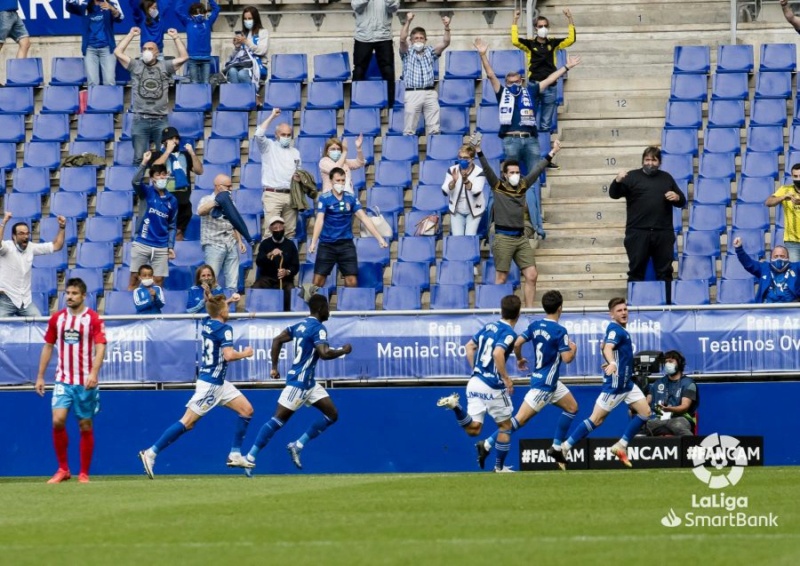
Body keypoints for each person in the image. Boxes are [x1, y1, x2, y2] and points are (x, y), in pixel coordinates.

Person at [138, 295, 256, 479]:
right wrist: (246, 353)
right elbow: (228, 356)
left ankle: (235, 454)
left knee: (247, 410)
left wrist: (228, 301)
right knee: (187, 422)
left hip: (219, 383)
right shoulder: (225, 329)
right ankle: (151, 453)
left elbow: (215, 309)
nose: (229, 310)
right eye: (227, 307)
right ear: (223, 311)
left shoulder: (207, 323)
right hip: (211, 385)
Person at [475, 37, 580, 237]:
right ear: (506, 83)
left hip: (530, 140)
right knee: (507, 183)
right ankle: (502, 220)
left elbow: (549, 79)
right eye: (510, 82)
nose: (513, 84)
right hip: (511, 140)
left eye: (516, 81)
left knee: (532, 183)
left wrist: (566, 66)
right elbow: (490, 75)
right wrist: (483, 55)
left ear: (522, 81)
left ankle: (537, 225)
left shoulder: (530, 90)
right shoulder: (502, 92)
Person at [243, 294, 351, 473]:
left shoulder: (299, 325)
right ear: (319, 309)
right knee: (278, 420)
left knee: (332, 414)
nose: (329, 311)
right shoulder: (319, 328)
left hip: (309, 384)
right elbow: (324, 354)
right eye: (327, 307)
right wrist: (343, 350)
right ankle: (250, 457)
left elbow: (277, 340)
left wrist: (274, 367)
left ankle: (298, 445)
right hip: (300, 382)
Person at [477, 290, 578, 471]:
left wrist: (519, 358)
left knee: (572, 408)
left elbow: (516, 343)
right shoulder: (560, 331)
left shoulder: (535, 325)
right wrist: (573, 349)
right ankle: (486, 444)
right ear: (560, 308)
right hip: (544, 386)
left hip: (551, 382)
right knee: (518, 421)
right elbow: (567, 358)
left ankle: (556, 448)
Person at [560, 298, 652, 468]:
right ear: (611, 315)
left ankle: (621, 445)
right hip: (616, 385)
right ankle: (565, 447)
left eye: (625, 309)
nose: (624, 312)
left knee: (645, 411)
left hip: (627, 384)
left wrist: (611, 360)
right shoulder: (615, 330)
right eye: (619, 310)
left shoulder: (620, 331)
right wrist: (613, 363)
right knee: (596, 420)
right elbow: (608, 347)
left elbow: (606, 348)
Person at [436, 294, 522, 473]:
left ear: (501, 310)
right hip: (492, 384)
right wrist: (506, 378)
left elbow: (469, 346)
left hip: (475, 381)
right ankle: (499, 468)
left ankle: (456, 407)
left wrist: (476, 368)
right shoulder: (509, 334)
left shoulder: (489, 326)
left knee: (474, 430)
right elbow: (498, 354)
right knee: (505, 426)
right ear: (518, 314)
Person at [475, 137, 562, 308]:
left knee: (532, 275)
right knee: (501, 277)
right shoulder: (497, 185)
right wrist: (479, 150)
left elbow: (538, 168)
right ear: (505, 174)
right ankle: (498, 313)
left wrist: (553, 152)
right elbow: (486, 168)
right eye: (511, 173)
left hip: (521, 238)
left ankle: (529, 311)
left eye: (517, 172)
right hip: (503, 238)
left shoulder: (523, 185)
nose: (515, 175)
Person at [35, 278, 107, 483]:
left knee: (85, 425)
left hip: (85, 381)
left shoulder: (93, 319)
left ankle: (83, 473)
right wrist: (40, 376)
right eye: (67, 293)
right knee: (57, 420)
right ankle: (63, 469)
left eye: (74, 293)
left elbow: (101, 346)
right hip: (62, 380)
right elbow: (48, 346)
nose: (69, 296)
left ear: (84, 296)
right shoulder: (57, 319)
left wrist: (94, 372)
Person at [609, 146, 686, 304]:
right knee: (636, 272)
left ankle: (668, 307)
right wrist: (617, 181)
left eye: (654, 160)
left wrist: (677, 197)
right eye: (647, 160)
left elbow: (682, 201)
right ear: (642, 161)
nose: (650, 163)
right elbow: (613, 194)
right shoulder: (632, 177)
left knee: (665, 273)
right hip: (637, 233)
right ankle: (633, 304)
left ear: (659, 162)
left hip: (662, 233)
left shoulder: (666, 178)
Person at [114, 26, 189, 166]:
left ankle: (161, 185)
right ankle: (138, 186)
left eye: (150, 49)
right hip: (140, 119)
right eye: (144, 49)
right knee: (138, 158)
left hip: (160, 120)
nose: (147, 51)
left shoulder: (165, 66)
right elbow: (118, 52)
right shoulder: (135, 65)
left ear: (157, 52)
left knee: (165, 156)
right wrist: (131, 34)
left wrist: (176, 37)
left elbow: (184, 57)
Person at [511, 8, 575, 168]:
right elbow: (514, 40)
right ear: (535, 28)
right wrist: (515, 20)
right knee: (528, 121)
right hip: (533, 86)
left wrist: (570, 19)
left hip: (551, 87)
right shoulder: (529, 44)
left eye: (545, 25)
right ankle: (530, 157)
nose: (543, 28)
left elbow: (571, 39)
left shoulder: (553, 43)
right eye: (540, 26)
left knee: (546, 125)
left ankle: (546, 159)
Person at [309, 167, 389, 290]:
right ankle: (308, 307)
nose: (340, 183)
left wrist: (379, 238)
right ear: (331, 181)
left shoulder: (351, 198)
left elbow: (364, 218)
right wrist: (313, 242)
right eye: (337, 180)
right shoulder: (324, 198)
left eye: (342, 180)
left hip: (346, 245)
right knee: (317, 282)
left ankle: (349, 307)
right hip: (326, 245)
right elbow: (319, 220)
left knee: (352, 281)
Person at [0, 212, 66, 317]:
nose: (25, 236)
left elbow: (56, 245)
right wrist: (4, 223)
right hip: (6, 300)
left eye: (27, 233)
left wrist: (62, 227)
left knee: (38, 324)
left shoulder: (31, 247)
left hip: (25, 301)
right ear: (14, 236)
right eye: (21, 234)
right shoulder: (7, 247)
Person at [128, 150, 178, 290]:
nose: (161, 177)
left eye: (163, 174)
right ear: (152, 178)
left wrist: (170, 246)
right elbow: (135, 181)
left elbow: (172, 225)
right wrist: (144, 163)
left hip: (161, 246)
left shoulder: (172, 200)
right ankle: (130, 308)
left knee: (158, 281)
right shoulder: (146, 192)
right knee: (134, 279)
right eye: (157, 175)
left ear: (167, 176)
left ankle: (155, 310)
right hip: (142, 242)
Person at [399, 12, 451, 136]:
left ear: (425, 40)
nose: (419, 40)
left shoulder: (430, 51)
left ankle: (436, 153)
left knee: (435, 130)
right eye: (416, 38)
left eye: (421, 38)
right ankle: (408, 152)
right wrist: (408, 21)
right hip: (412, 93)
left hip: (430, 93)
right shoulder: (406, 53)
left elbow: (446, 43)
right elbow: (402, 39)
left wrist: (447, 27)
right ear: (411, 40)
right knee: (409, 130)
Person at [254, 108, 301, 239]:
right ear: (276, 135)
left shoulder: (295, 152)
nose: (286, 137)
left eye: (288, 135)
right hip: (272, 194)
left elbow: (299, 171)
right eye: (283, 134)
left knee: (290, 233)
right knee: (270, 232)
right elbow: (258, 134)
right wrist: (272, 116)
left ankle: (286, 260)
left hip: (291, 195)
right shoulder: (268, 147)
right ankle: (267, 260)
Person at [196, 174, 247, 297]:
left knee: (233, 280)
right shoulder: (206, 199)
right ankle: (211, 307)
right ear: (219, 187)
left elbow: (234, 222)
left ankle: (231, 307)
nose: (231, 189)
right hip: (213, 244)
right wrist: (216, 201)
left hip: (230, 243)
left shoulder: (231, 202)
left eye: (231, 186)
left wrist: (239, 241)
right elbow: (200, 211)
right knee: (210, 279)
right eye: (228, 186)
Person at [150, 126, 203, 241]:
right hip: (164, 201)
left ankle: (176, 257)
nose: (175, 141)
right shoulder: (158, 155)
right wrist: (168, 151)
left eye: (176, 138)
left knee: (178, 232)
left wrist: (192, 154)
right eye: (171, 139)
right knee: (163, 233)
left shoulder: (185, 155)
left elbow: (199, 171)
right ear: (164, 141)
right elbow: (155, 167)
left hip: (183, 202)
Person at [66, 0, 125, 87]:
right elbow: (70, 8)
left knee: (109, 81)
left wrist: (112, 9)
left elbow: (120, 18)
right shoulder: (84, 5)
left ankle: (109, 101)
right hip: (90, 49)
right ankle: (95, 101)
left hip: (107, 48)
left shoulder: (110, 3)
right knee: (93, 83)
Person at [352, 0, 399, 107]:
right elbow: (356, 6)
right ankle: (355, 102)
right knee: (358, 70)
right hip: (363, 36)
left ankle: (391, 104)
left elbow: (394, 8)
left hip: (384, 36)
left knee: (388, 69)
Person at [645, 350, 698, 437]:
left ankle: (691, 447)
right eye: (666, 362)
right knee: (643, 427)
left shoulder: (689, 383)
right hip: (659, 419)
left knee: (677, 425)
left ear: (679, 364)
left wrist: (670, 409)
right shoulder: (657, 383)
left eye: (671, 361)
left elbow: (685, 406)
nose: (667, 364)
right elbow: (647, 402)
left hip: (681, 418)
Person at [252, 217, 300, 312]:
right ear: (270, 230)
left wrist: (287, 272)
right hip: (267, 278)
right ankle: (255, 314)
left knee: (290, 289)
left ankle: (287, 315)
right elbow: (259, 262)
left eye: (280, 227)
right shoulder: (265, 244)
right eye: (275, 228)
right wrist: (270, 254)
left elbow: (295, 266)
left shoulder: (290, 245)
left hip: (285, 280)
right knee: (256, 287)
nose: (278, 230)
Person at [734, 238, 800, 303]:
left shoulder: (796, 267)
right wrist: (739, 249)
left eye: (782, 256)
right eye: (776, 256)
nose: (779, 258)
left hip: (792, 308)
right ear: (771, 258)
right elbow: (749, 264)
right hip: (767, 308)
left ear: (788, 258)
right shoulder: (764, 268)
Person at [441, 144, 486, 236]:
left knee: (470, 236)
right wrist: (453, 181)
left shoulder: (479, 172)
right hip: (457, 210)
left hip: (474, 210)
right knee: (458, 238)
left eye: (466, 158)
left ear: (472, 159)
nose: (462, 160)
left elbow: (476, 191)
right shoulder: (452, 170)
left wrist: (465, 180)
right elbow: (445, 191)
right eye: (460, 157)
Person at [176, 0, 220, 84]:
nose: (199, 15)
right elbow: (177, 11)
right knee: (194, 83)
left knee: (206, 83)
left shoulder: (208, 23)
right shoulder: (188, 22)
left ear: (204, 13)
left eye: (201, 13)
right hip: (192, 59)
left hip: (206, 59)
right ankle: (195, 97)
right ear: (191, 15)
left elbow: (217, 9)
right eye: (196, 13)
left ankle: (205, 97)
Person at [766, 163, 800, 262]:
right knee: (795, 273)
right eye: (795, 176)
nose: (798, 179)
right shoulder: (785, 190)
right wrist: (783, 197)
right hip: (792, 241)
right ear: (792, 176)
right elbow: (768, 202)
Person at [237, 5, 269, 82]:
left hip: (258, 66)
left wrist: (247, 42)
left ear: (255, 19)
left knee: (241, 74)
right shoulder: (243, 34)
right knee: (232, 72)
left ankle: (253, 93)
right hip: (243, 65)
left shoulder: (263, 32)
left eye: (250, 18)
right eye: (245, 19)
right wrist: (237, 47)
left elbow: (262, 50)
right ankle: (237, 94)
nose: (247, 21)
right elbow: (238, 56)